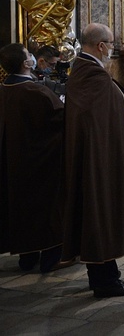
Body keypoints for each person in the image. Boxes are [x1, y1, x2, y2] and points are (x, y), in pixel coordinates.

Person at [62, 23, 124, 298]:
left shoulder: (82, 70)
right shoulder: (93, 76)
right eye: (111, 43)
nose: (112, 48)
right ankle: (106, 281)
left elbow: (110, 110)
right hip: (98, 160)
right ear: (101, 45)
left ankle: (102, 275)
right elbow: (112, 113)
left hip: (90, 154)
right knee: (99, 213)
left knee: (94, 215)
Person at [0, 44, 66, 273]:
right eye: (29, 55)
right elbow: (61, 119)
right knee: (49, 210)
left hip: (14, 163)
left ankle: (27, 258)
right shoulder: (35, 92)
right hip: (42, 162)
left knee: (23, 210)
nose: (33, 58)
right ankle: (51, 259)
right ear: (26, 64)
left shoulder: (4, 89)